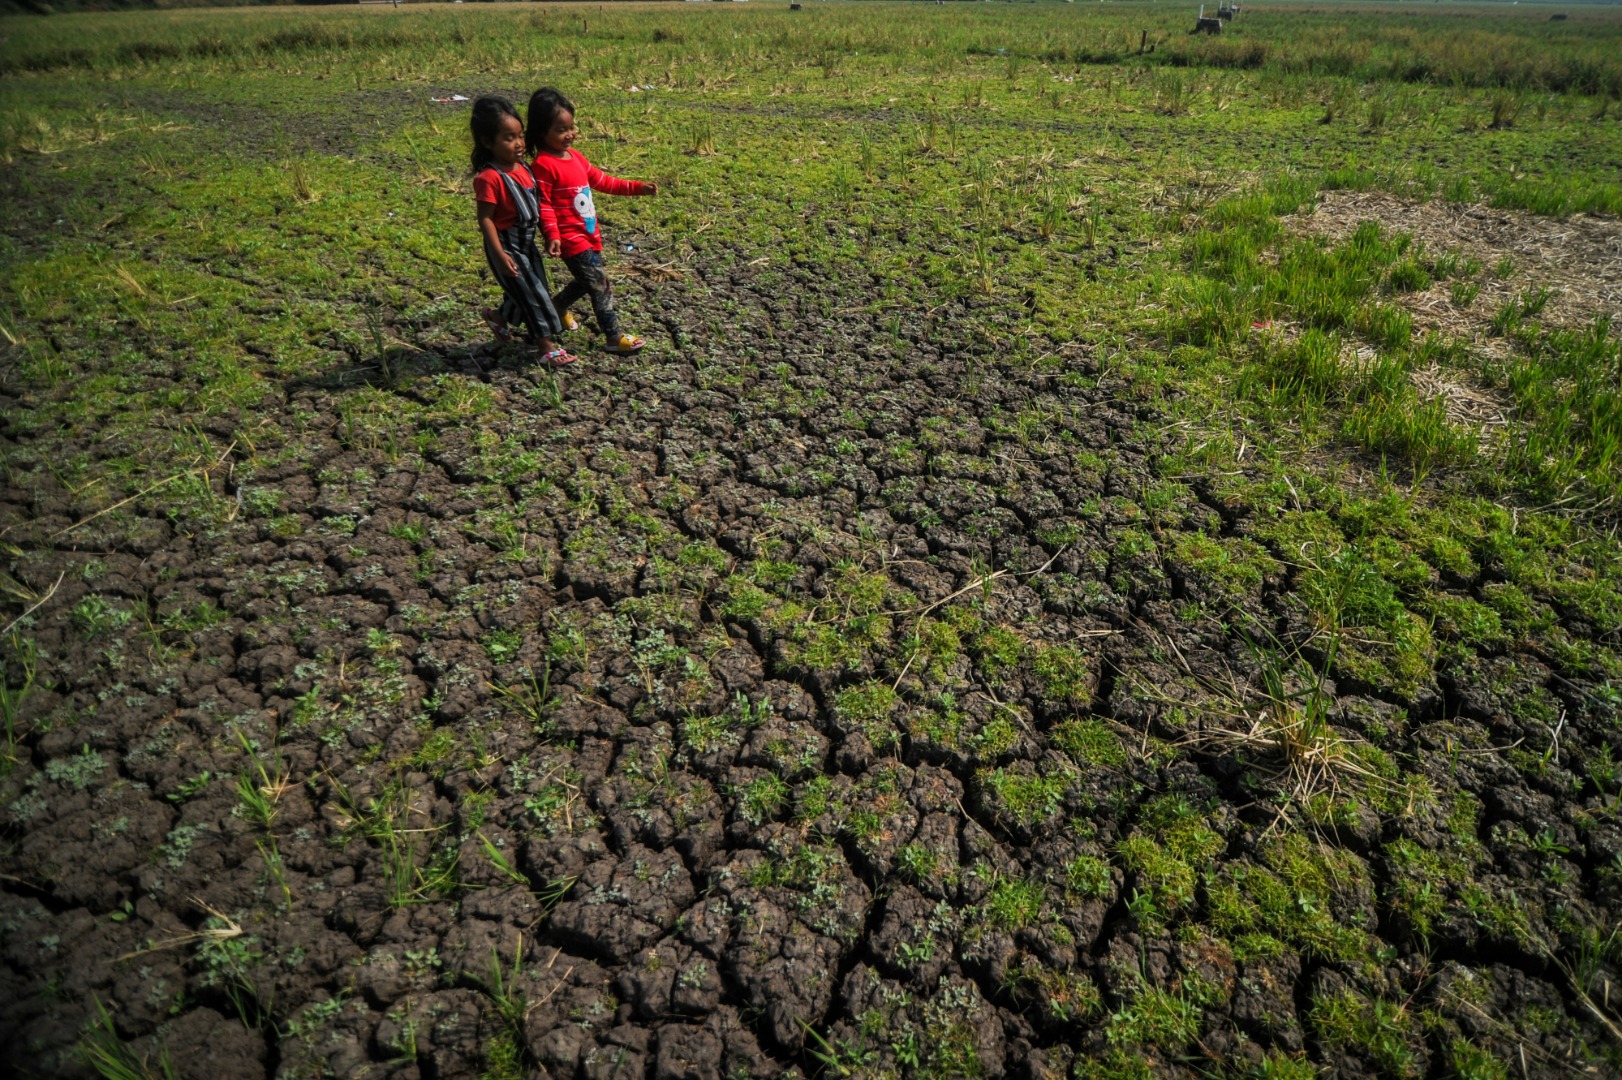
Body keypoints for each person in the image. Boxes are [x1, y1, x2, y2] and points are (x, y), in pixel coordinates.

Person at [526, 87, 659, 355]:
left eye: (571, 127)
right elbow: (544, 205)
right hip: (570, 239)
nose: (570, 134)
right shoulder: (543, 164)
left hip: (589, 233)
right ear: (542, 132)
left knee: (586, 281)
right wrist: (552, 234)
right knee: (601, 285)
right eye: (561, 130)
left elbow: (602, 181)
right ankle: (613, 337)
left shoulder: (575, 157)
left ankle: (558, 307)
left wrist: (636, 187)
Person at [470, 96, 576, 367]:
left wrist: (550, 235)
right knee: (535, 295)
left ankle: (498, 317)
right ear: (487, 142)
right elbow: (486, 220)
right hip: (506, 246)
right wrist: (499, 254)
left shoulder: (525, 169)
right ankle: (545, 347)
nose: (518, 144)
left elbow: (538, 205)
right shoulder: (489, 178)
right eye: (508, 138)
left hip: (526, 242)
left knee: (532, 287)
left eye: (520, 136)